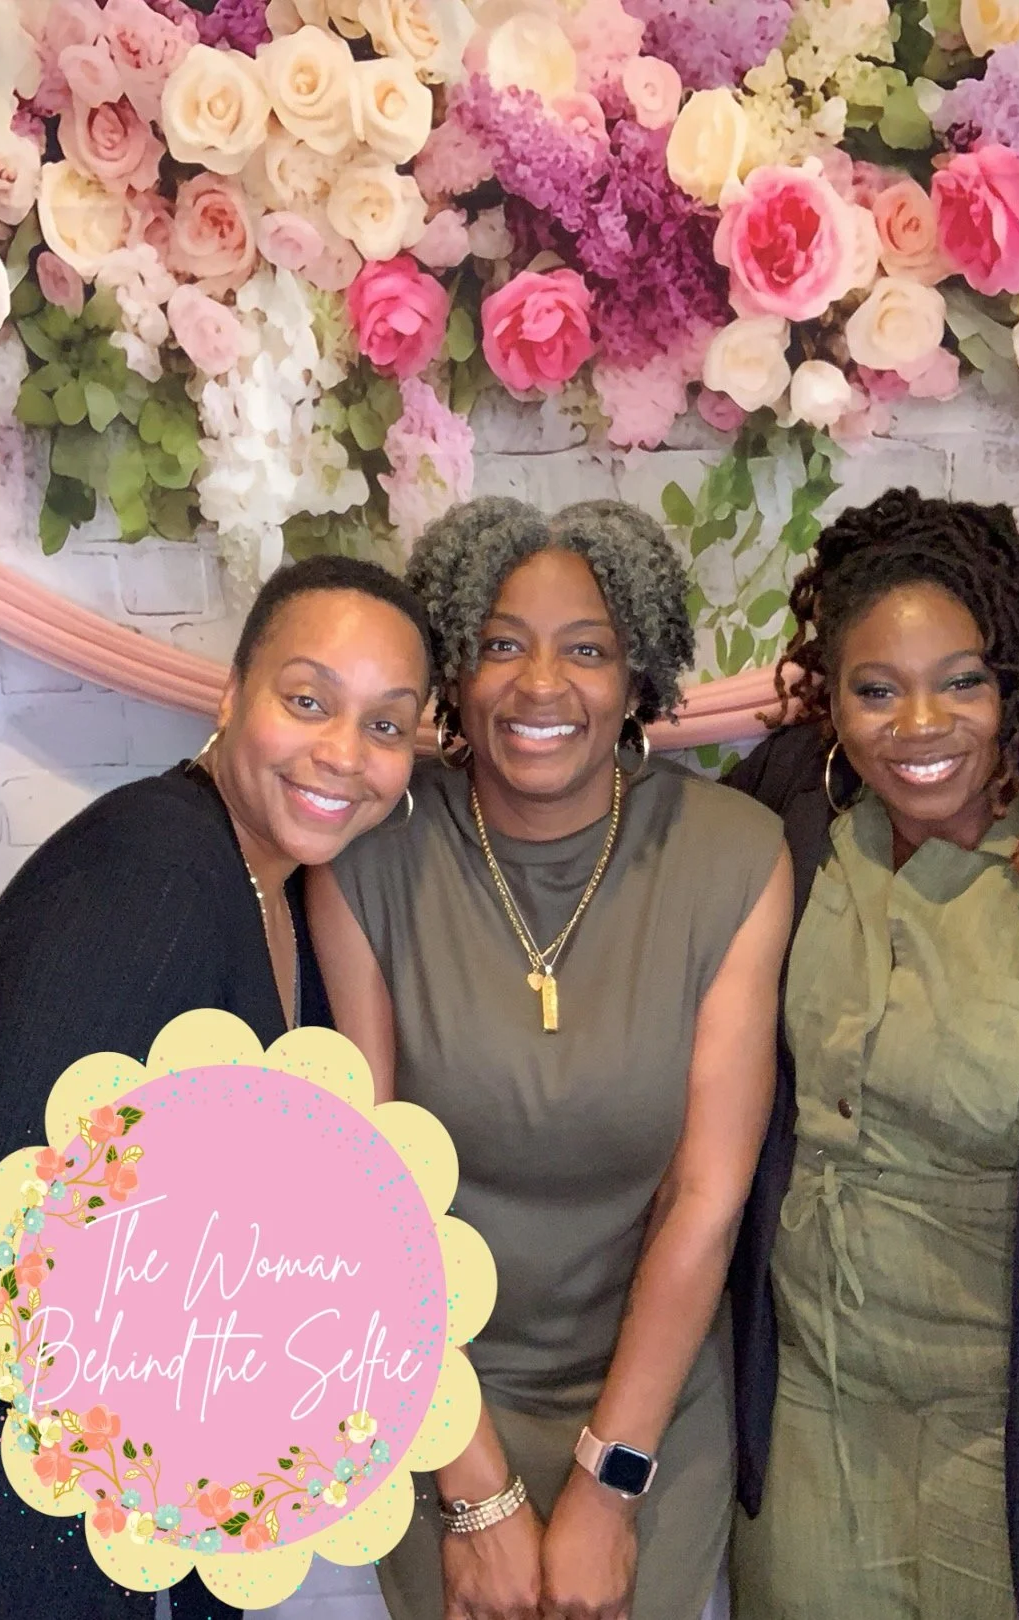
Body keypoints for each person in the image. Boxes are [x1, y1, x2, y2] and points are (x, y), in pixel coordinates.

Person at [306, 495, 792, 1620]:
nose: (540, 685)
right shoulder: (372, 853)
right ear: (452, 672)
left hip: (648, 1404)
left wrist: (608, 1490)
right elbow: (365, 1194)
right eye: (499, 646)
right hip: (432, 1393)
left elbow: (706, 1202)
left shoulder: (731, 855)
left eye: (588, 650)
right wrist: (472, 1491)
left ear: (639, 678)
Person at [0, 554, 432, 1620]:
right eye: (308, 700)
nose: (343, 755)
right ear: (231, 695)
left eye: (386, 725)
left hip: (117, 1495)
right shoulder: (157, 875)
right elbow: (24, 1221)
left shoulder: (274, 884)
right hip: (28, 1506)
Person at [726, 487, 1019, 1620]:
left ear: (1011, 681)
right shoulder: (792, 806)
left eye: (961, 680)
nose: (919, 726)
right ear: (832, 696)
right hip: (812, 1406)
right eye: (877, 689)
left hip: (999, 1430)